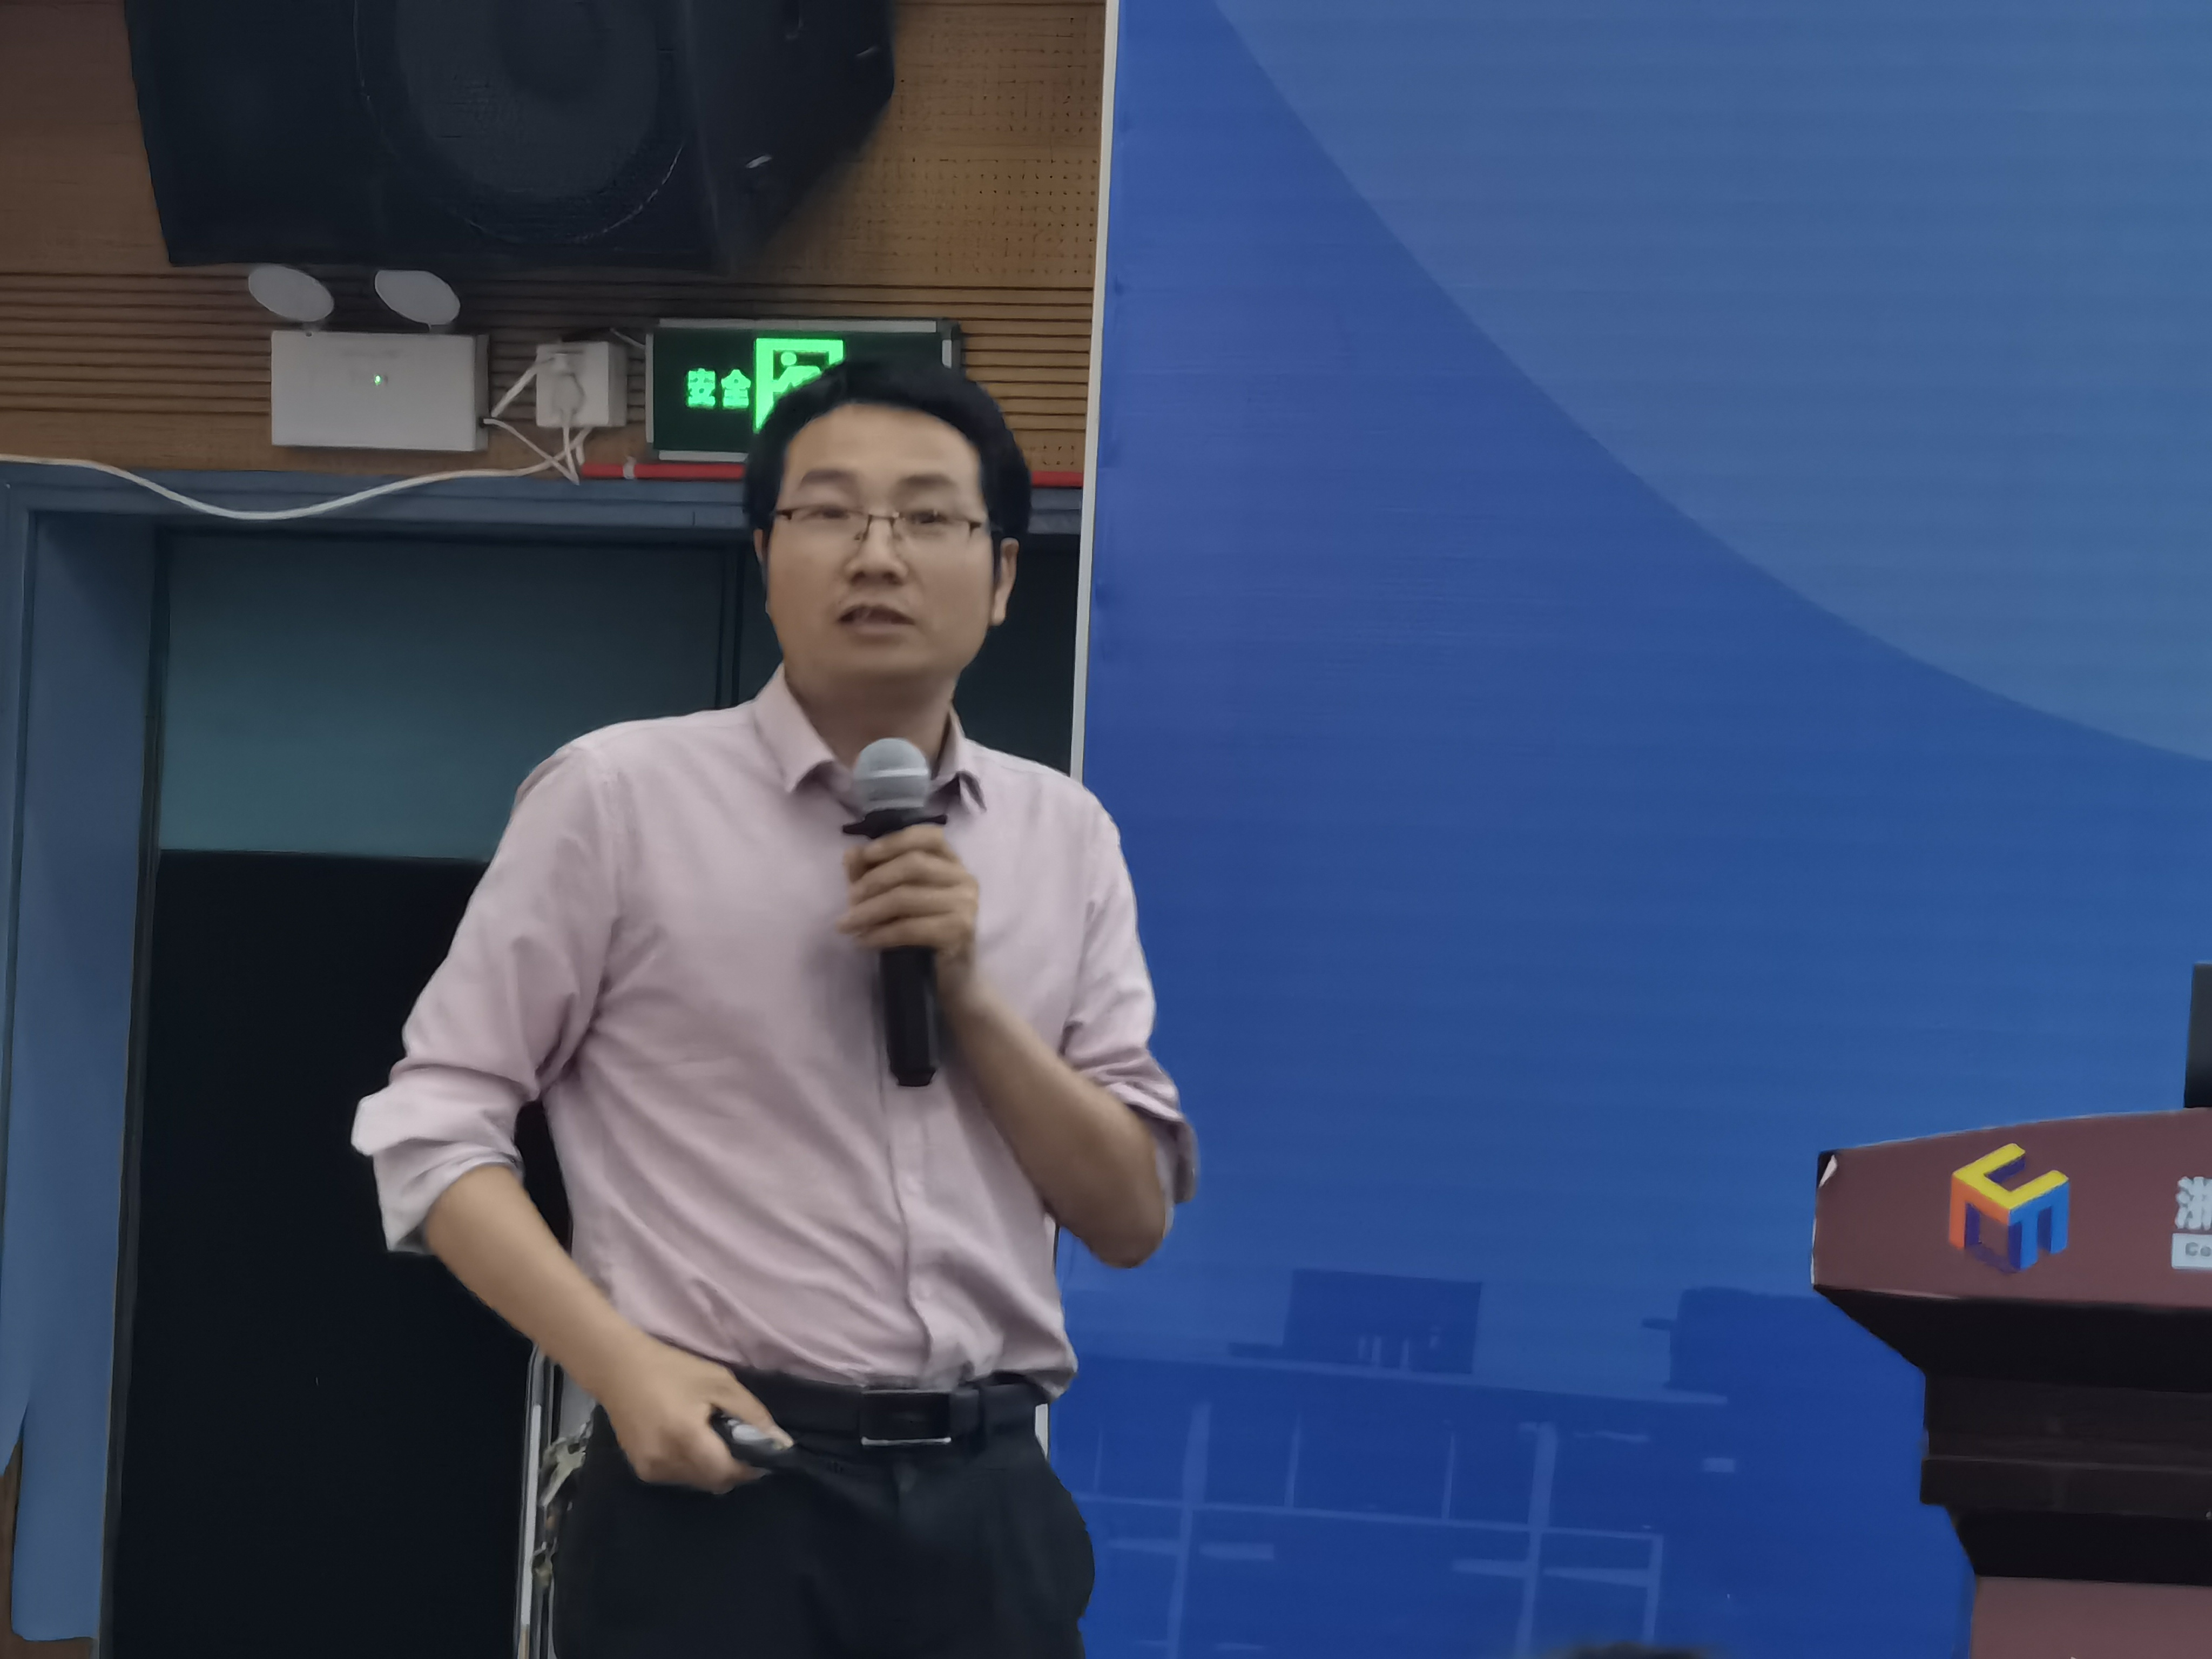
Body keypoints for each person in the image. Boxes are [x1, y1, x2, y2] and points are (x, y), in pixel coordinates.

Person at [350, 359, 1196, 1658]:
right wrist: (617, 1364)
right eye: (829, 512)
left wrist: (968, 994)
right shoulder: (617, 798)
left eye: (927, 516)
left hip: (987, 1507)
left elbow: (1128, 1217)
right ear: (766, 555)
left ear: (1001, 577)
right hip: (719, 1491)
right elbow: (430, 1127)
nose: (877, 553)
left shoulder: (1065, 835)